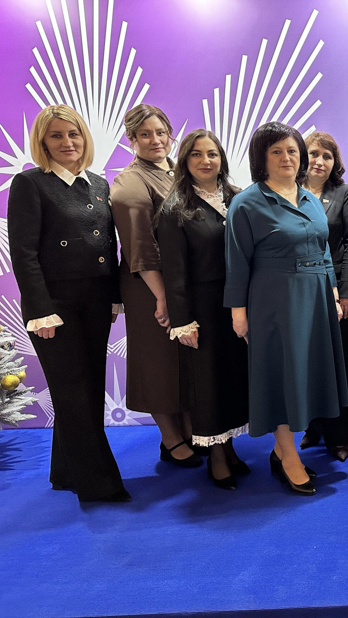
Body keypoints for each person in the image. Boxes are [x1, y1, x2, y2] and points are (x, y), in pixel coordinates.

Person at [8, 105, 129, 502]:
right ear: (42, 141)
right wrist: (40, 309)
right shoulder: (31, 183)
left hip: (95, 301)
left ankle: (65, 471)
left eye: (73, 134)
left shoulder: (98, 184)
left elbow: (108, 245)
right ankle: (98, 484)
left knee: (87, 388)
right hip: (54, 305)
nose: (67, 142)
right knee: (73, 390)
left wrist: (114, 296)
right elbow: (23, 253)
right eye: (56, 135)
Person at [224, 122, 348, 495]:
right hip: (274, 302)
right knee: (280, 378)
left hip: (315, 299)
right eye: (276, 151)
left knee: (304, 376)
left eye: (292, 150)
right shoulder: (246, 203)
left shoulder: (310, 198)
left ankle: (282, 452)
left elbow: (323, 250)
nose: (286, 158)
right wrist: (238, 312)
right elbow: (237, 262)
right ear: (261, 158)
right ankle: (289, 456)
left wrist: (332, 290)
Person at [156, 129, 250, 490]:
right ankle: (217, 457)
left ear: (222, 159)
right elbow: (174, 272)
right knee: (208, 383)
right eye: (196, 154)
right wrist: (183, 321)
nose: (205, 161)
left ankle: (231, 448)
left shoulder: (238, 198)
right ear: (184, 160)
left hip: (238, 304)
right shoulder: (175, 208)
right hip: (203, 308)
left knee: (233, 378)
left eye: (212, 154)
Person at [111, 104, 202, 469]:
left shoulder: (178, 171)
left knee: (185, 360)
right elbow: (140, 246)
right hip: (149, 284)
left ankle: (190, 428)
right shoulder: (131, 182)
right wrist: (163, 296)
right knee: (158, 362)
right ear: (131, 139)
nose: (155, 140)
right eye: (145, 134)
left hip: (181, 281)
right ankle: (170, 438)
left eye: (161, 132)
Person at [298, 132, 348, 463]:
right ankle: (313, 427)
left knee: (339, 365)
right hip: (299, 291)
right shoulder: (289, 191)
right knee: (308, 362)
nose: (319, 161)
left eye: (327, 155)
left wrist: (347, 291)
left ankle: (339, 437)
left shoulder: (344, 194)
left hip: (337, 292)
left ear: (335, 162)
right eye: (313, 153)